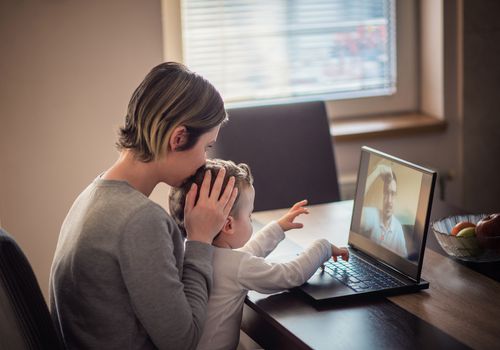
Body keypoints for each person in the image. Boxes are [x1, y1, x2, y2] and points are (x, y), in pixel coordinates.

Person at [49, 62, 239, 349]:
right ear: (179, 138)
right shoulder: (139, 220)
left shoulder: (93, 193)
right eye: (207, 147)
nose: (205, 161)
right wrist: (200, 239)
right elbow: (183, 342)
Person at [169, 159, 349, 350]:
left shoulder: (191, 252)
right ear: (229, 225)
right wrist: (323, 246)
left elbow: (244, 255)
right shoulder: (235, 266)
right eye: (249, 216)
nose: (251, 220)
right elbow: (291, 274)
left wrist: (277, 228)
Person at [360, 163, 407, 257]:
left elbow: (404, 260)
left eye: (393, 194)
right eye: (386, 193)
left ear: (396, 198)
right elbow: (357, 208)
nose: (389, 201)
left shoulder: (398, 229)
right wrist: (377, 171)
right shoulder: (373, 214)